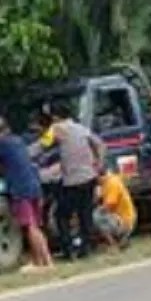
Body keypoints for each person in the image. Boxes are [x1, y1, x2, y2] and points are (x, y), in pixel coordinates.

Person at [0, 117, 54, 272]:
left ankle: (40, 264)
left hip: (20, 188)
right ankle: (46, 260)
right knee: (36, 226)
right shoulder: (18, 141)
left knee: (30, 227)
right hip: (35, 185)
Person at [49, 102, 106, 260]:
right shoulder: (81, 128)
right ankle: (86, 248)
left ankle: (68, 249)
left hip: (72, 181)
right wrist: (99, 164)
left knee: (62, 215)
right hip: (89, 177)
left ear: (55, 117)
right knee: (85, 213)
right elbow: (100, 144)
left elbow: (41, 146)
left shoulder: (57, 129)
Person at [93, 165, 136, 251]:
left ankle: (114, 243)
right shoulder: (105, 183)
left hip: (125, 220)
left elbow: (108, 206)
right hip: (117, 217)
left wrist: (97, 203)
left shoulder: (112, 183)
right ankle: (116, 240)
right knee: (97, 214)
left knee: (96, 216)